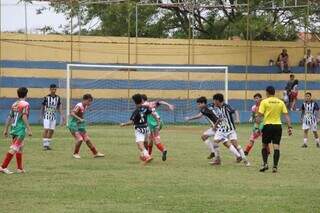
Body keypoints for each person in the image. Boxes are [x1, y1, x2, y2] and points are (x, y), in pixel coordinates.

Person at [256, 86, 292, 173]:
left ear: (267, 92)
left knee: (264, 145)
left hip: (267, 126)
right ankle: (275, 166)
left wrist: (257, 127)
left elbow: (259, 115)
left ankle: (265, 164)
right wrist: (289, 127)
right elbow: (286, 115)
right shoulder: (280, 102)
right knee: (276, 146)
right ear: (274, 92)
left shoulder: (264, 102)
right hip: (277, 126)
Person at [211, 93, 250, 166]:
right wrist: (215, 126)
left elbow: (235, 111)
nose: (213, 102)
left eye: (214, 101)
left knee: (235, 144)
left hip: (230, 129)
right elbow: (220, 118)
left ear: (217, 101)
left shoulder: (226, 106)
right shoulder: (218, 108)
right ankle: (218, 160)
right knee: (215, 143)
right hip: (222, 129)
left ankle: (245, 160)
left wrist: (237, 119)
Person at [120, 94, 160, 164]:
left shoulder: (136, 111)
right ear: (142, 101)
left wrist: (124, 124)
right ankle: (144, 156)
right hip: (146, 128)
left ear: (134, 102)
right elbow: (153, 114)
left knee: (140, 145)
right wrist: (157, 121)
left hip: (139, 129)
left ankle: (147, 156)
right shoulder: (145, 108)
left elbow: (132, 121)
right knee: (145, 143)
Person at [0, 87, 32, 174]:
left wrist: (6, 129)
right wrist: (29, 129)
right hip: (20, 130)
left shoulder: (14, 104)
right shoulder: (26, 104)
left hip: (13, 129)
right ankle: (3, 167)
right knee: (14, 148)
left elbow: (9, 117)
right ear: (26, 94)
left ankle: (19, 168)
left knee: (20, 148)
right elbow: (24, 117)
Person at [67, 94, 104, 159]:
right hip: (72, 124)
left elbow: (81, 115)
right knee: (80, 139)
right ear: (84, 100)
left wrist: (82, 121)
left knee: (87, 139)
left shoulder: (85, 106)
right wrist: (79, 119)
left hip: (78, 124)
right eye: (89, 101)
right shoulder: (79, 105)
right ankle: (75, 153)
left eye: (90, 101)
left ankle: (95, 153)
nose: (90, 103)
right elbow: (72, 113)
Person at [141, 94, 174, 161]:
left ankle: (162, 150)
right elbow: (160, 101)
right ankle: (149, 155)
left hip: (151, 123)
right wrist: (169, 105)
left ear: (142, 100)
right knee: (151, 140)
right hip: (159, 122)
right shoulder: (151, 103)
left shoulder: (144, 104)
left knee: (152, 139)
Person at [40, 84, 65, 150]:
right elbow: (42, 106)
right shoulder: (46, 97)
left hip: (53, 116)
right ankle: (45, 145)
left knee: (51, 130)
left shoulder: (58, 98)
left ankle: (48, 145)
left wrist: (62, 116)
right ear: (50, 89)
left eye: (55, 89)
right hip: (46, 115)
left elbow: (59, 108)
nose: (54, 90)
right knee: (46, 129)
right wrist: (41, 115)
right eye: (52, 89)